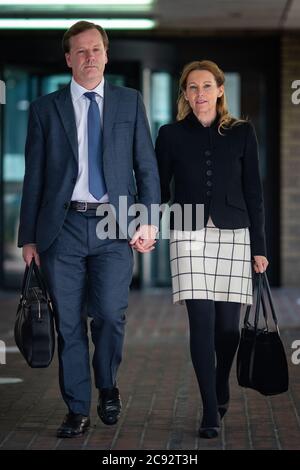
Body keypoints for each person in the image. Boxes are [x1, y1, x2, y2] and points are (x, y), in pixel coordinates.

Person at [18, 20, 160, 438]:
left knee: (111, 317)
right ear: (68, 59)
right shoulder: (47, 108)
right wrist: (28, 236)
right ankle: (77, 408)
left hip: (114, 227)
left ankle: (108, 386)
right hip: (61, 229)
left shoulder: (129, 101)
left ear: (106, 54)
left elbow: (146, 167)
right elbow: (35, 178)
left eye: (95, 49)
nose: (89, 58)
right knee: (69, 325)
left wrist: (147, 219)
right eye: (80, 51)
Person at [155, 60, 268, 439]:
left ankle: (221, 382)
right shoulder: (170, 134)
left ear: (220, 90)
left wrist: (260, 246)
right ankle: (209, 409)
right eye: (192, 87)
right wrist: (146, 223)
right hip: (187, 234)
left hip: (235, 233)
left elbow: (254, 192)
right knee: (200, 324)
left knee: (227, 330)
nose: (199, 94)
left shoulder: (241, 133)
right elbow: (159, 188)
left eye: (206, 86)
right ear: (184, 94)